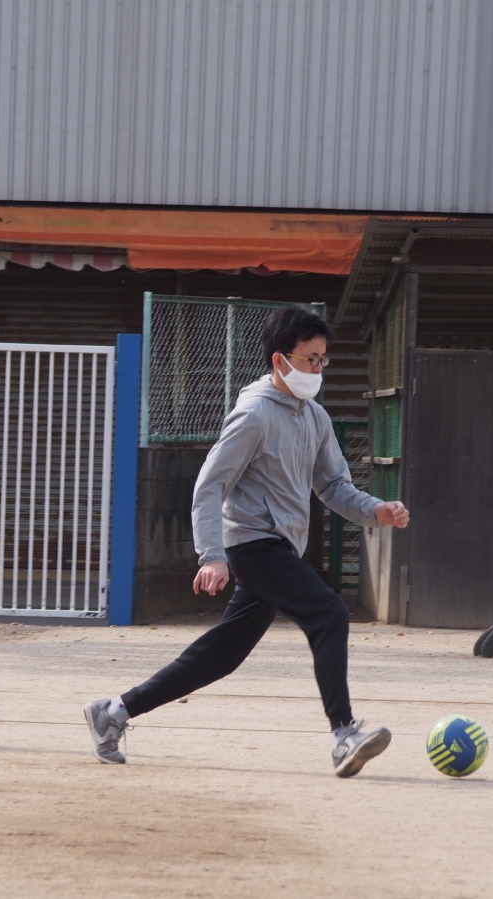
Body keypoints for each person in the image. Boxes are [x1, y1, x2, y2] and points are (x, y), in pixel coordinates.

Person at [83, 306, 410, 776]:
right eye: (310, 359)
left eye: (323, 359)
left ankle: (113, 711)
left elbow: (333, 486)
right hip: (254, 544)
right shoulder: (254, 413)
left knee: (222, 655)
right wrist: (212, 555)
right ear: (280, 360)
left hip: (281, 548)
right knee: (329, 613)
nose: (318, 368)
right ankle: (344, 735)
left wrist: (375, 510)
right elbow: (209, 484)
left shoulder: (316, 417)